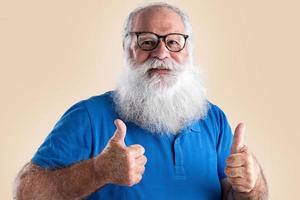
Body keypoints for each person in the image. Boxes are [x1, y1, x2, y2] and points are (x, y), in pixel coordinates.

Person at [14, 3, 268, 200]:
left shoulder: (214, 119)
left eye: (173, 42)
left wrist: (251, 185)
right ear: (127, 49)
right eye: (147, 41)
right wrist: (97, 171)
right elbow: (25, 192)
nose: (161, 53)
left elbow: (236, 196)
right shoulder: (89, 116)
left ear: (188, 51)